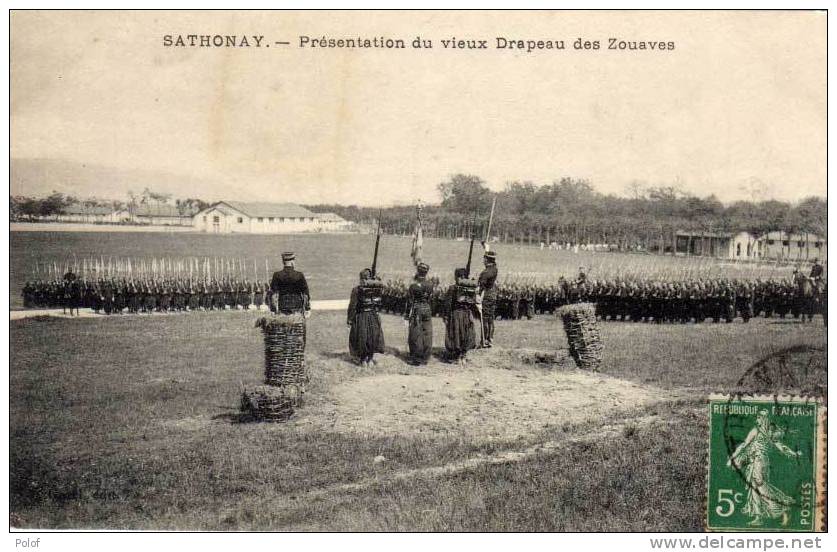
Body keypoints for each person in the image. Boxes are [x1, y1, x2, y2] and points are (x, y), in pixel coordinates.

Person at [347, 268, 385, 367]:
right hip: (373, 315)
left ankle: (363, 360)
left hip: (362, 315)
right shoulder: (377, 289)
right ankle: (370, 359)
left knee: (362, 337)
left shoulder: (357, 290)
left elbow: (352, 306)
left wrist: (350, 319)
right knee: (373, 336)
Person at [444, 268, 477, 365]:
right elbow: (473, 302)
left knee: (456, 334)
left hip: (456, 313)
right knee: (466, 333)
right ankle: (464, 356)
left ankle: (457, 357)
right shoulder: (471, 289)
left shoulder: (453, 288)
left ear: (456, 277)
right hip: (467, 313)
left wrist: (446, 316)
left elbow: (448, 303)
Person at [404, 262, 435, 365]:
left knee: (416, 333)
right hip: (427, 308)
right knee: (427, 332)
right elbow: (432, 299)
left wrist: (406, 315)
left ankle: (416, 358)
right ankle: (425, 357)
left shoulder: (413, 286)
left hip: (417, 309)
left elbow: (409, 301)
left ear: (418, 271)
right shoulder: (430, 285)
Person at [269, 252, 310, 316]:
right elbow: (305, 294)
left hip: (283, 306)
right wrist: (307, 308)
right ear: (292, 262)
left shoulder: (277, 275)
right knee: (298, 324)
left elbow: (273, 295)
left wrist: (273, 309)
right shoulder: (299, 275)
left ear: (283, 262)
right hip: (297, 306)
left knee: (283, 324)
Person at [477, 251, 498, 347]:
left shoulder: (485, 273)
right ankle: (490, 339)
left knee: (484, 318)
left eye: (484, 259)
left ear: (486, 259)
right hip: (493, 294)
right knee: (490, 318)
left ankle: (484, 340)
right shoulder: (494, 269)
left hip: (486, 295)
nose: (483, 261)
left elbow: (480, 287)